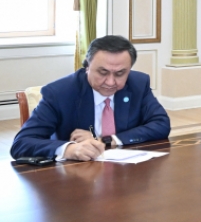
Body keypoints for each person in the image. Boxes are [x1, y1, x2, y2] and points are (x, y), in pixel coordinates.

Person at [10, 35, 171, 161]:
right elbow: (21, 143)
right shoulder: (59, 93)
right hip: (74, 177)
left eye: (120, 73)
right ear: (87, 66)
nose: (110, 82)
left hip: (127, 174)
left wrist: (107, 140)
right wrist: (69, 149)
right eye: (102, 72)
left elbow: (161, 124)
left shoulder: (138, 84)